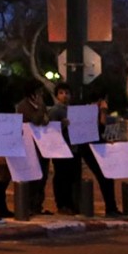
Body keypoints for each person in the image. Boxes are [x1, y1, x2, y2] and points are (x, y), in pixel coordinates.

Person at [84, 93, 122, 217]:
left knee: (107, 177)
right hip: (89, 149)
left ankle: (111, 207)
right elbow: (98, 129)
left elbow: (100, 132)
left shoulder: (94, 111)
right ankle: (110, 208)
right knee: (104, 177)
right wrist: (103, 113)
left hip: (96, 146)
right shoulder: (90, 111)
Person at [16, 80, 51, 215]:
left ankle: (38, 205)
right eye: (39, 91)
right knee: (32, 177)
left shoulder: (40, 105)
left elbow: (45, 120)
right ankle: (28, 205)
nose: (41, 94)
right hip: (31, 146)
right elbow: (35, 120)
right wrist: (41, 107)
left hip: (43, 146)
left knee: (43, 176)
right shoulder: (23, 106)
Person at [48, 83, 77, 214]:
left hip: (72, 148)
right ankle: (61, 204)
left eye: (67, 93)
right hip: (60, 149)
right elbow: (51, 130)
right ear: (56, 95)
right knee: (61, 178)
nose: (64, 96)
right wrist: (62, 125)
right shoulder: (55, 110)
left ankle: (70, 203)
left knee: (71, 177)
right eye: (61, 93)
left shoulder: (72, 110)